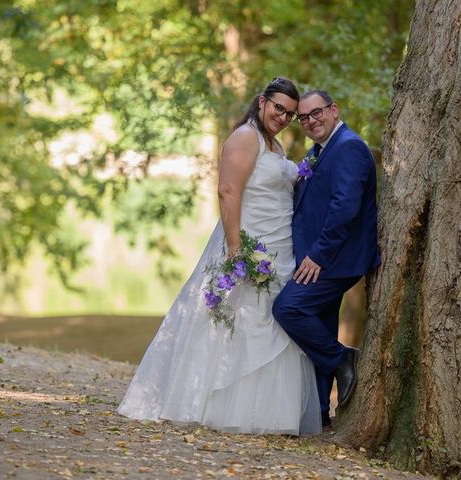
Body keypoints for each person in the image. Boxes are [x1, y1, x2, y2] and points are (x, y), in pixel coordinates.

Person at [117, 78, 322, 435]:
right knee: (234, 318)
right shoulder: (245, 137)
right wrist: (235, 248)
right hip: (248, 242)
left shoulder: (275, 146)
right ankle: (213, 404)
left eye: (290, 113)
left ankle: (269, 414)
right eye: (278, 108)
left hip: (280, 245)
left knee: (271, 323)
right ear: (262, 102)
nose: (283, 117)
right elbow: (228, 191)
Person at [272, 90, 381, 429]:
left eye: (316, 113)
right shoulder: (319, 150)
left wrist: (318, 255)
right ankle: (320, 413)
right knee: (319, 323)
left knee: (288, 308)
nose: (310, 121)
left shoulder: (349, 147)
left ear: (333, 110)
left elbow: (344, 209)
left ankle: (341, 358)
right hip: (318, 256)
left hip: (336, 258)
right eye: (303, 117)